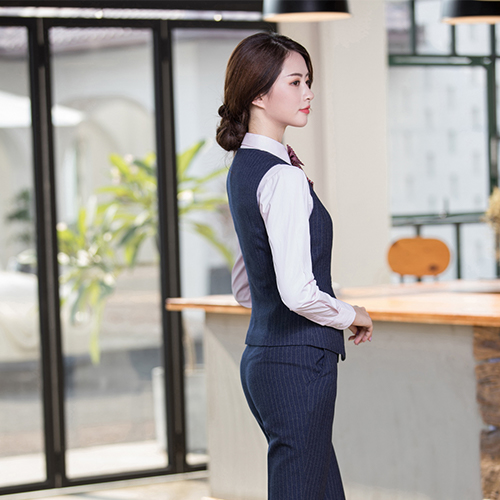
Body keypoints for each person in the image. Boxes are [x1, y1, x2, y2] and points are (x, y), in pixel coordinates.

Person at [216, 32, 373, 500]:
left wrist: (314, 297)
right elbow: (298, 293)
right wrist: (349, 313)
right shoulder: (282, 176)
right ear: (259, 94)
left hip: (266, 360)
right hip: (297, 366)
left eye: (308, 81)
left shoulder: (242, 167)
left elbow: (246, 286)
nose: (308, 93)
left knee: (323, 490)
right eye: (296, 82)